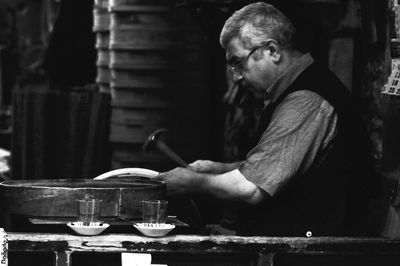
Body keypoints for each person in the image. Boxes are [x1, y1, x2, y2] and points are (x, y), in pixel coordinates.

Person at [158, 2, 376, 237]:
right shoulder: (292, 91)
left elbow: (251, 188)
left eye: (239, 63)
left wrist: (191, 182)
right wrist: (221, 169)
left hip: (317, 251)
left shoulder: (306, 100)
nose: (238, 77)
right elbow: (275, 166)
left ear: (272, 50)